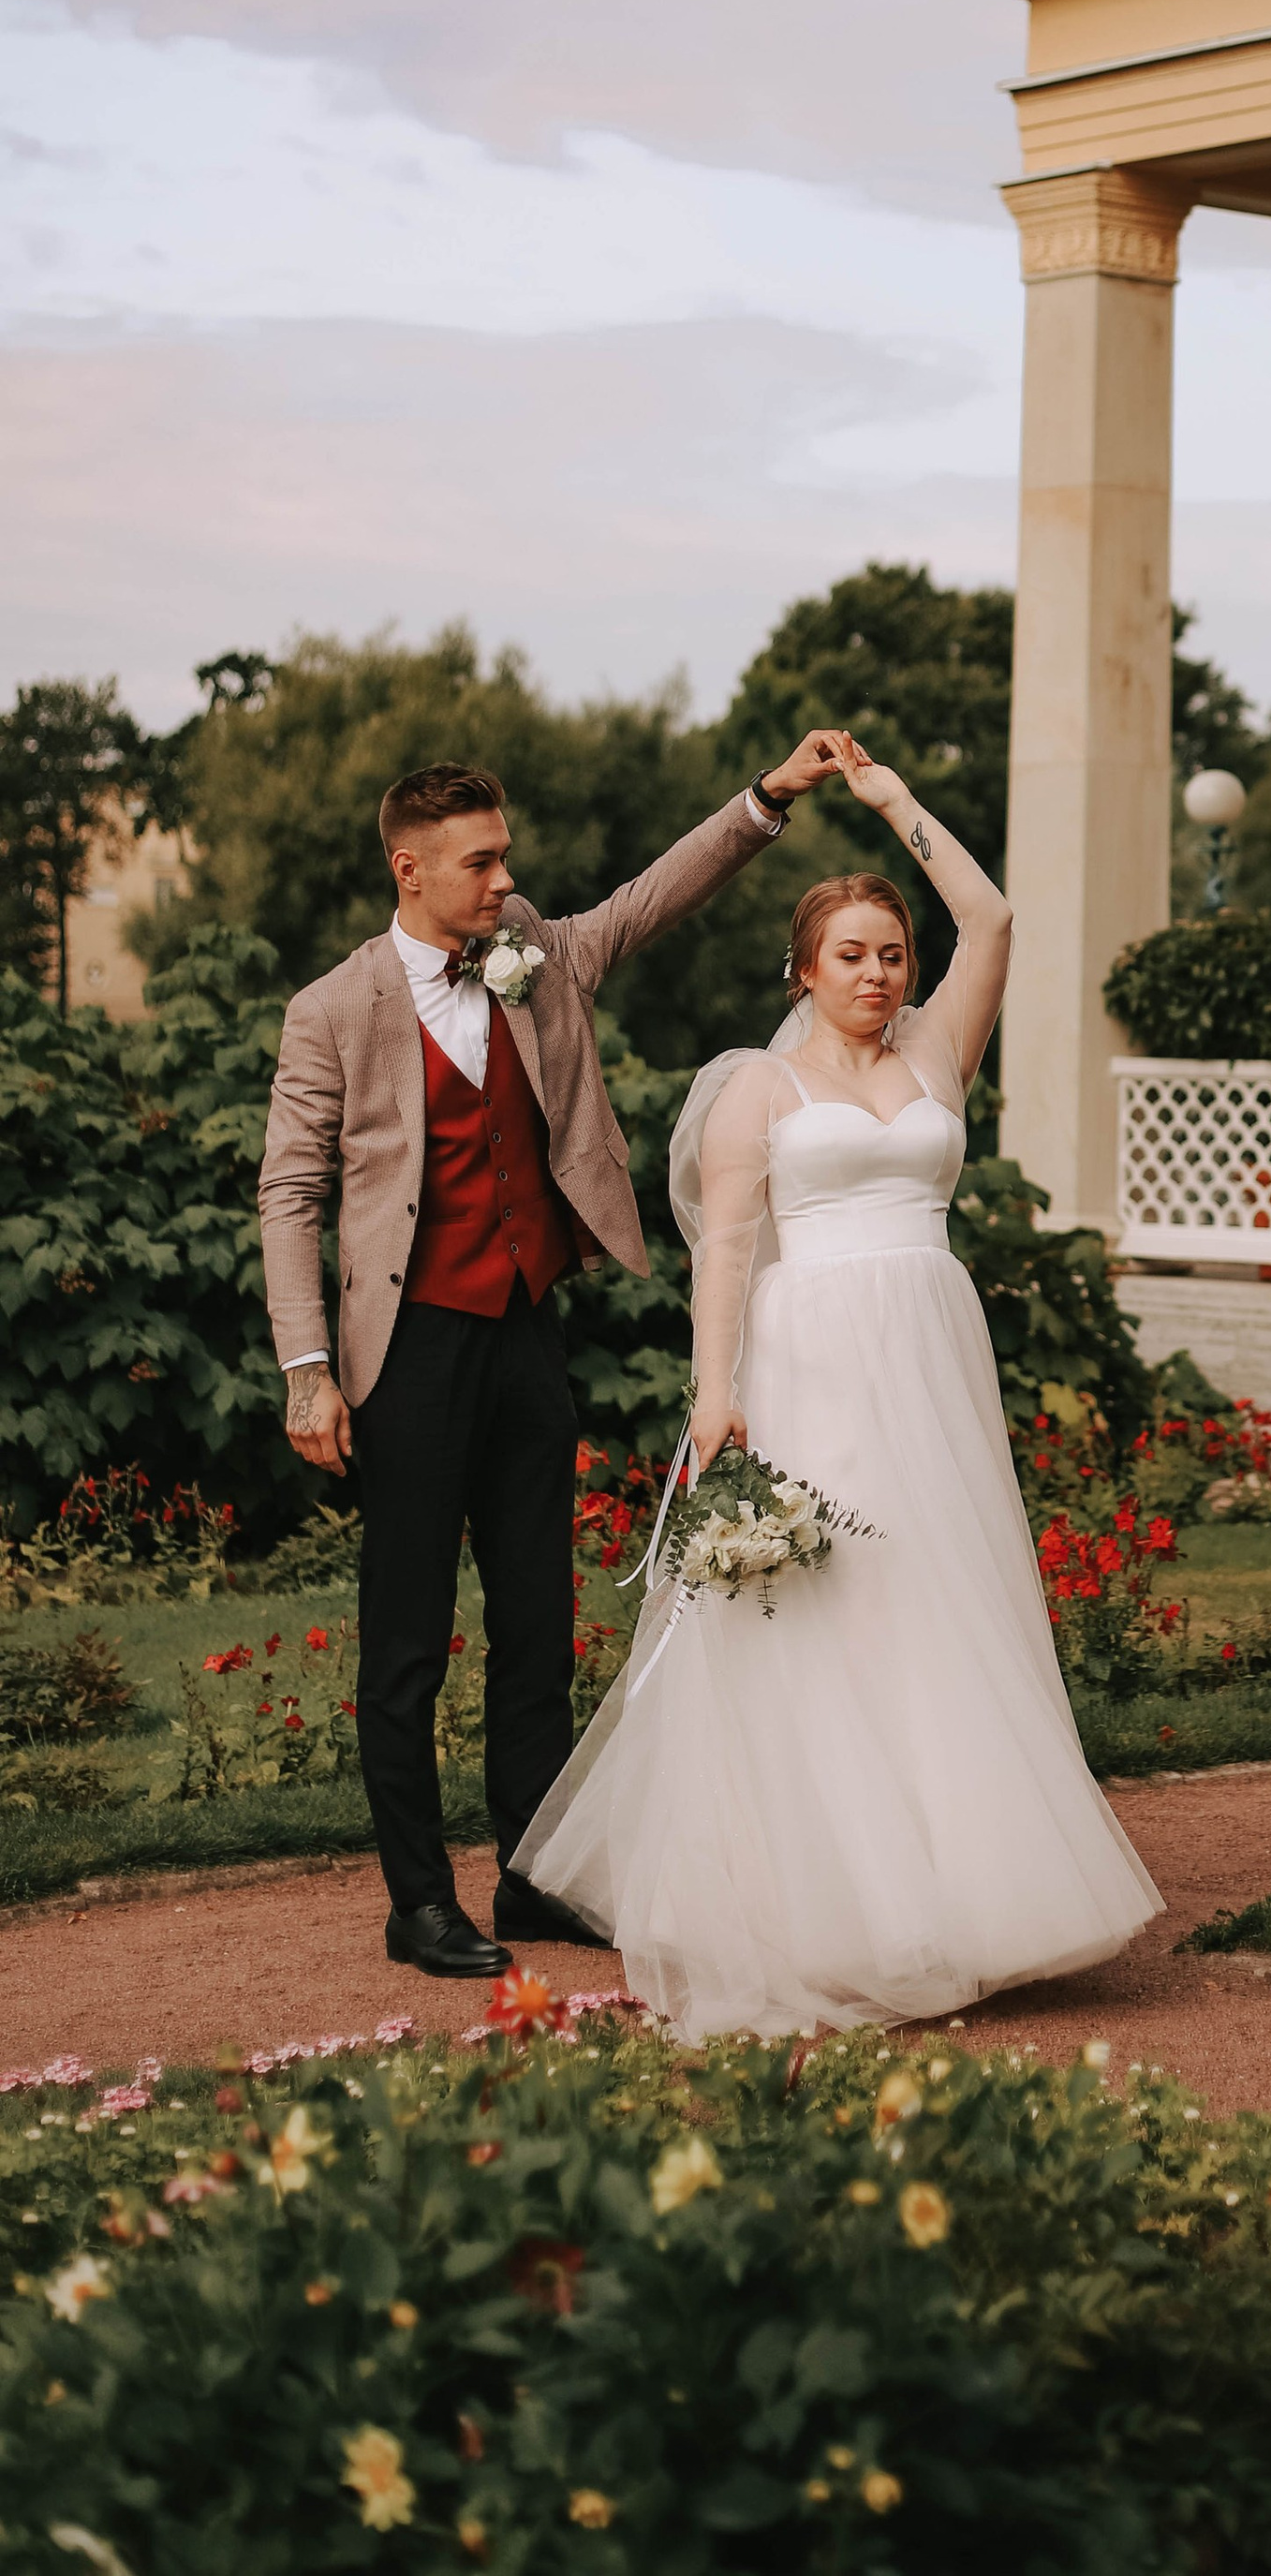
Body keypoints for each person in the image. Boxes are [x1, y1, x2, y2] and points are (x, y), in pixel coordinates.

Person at [512, 730, 1163, 2041]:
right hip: (809, 1356)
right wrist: (714, 1396)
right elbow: (731, 1257)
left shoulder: (937, 1056)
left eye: (891, 954)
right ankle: (829, 1904)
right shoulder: (757, 1087)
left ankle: (970, 1893)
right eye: (852, 955)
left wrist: (891, 802)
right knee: (830, 1607)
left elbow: (994, 912)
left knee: (940, 1593)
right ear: (803, 972)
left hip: (929, 1348)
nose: (878, 973)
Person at [259, 742, 829, 1980]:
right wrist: (309, 1369)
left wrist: (767, 800)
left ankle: (529, 1876)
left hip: (523, 1332)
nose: (504, 878)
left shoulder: (531, 950)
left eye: (504, 853)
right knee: (406, 1639)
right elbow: (289, 1194)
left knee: (536, 1621)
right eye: (480, 859)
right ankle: (418, 1902)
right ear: (410, 870)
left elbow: (647, 900)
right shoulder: (332, 1012)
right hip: (402, 1353)